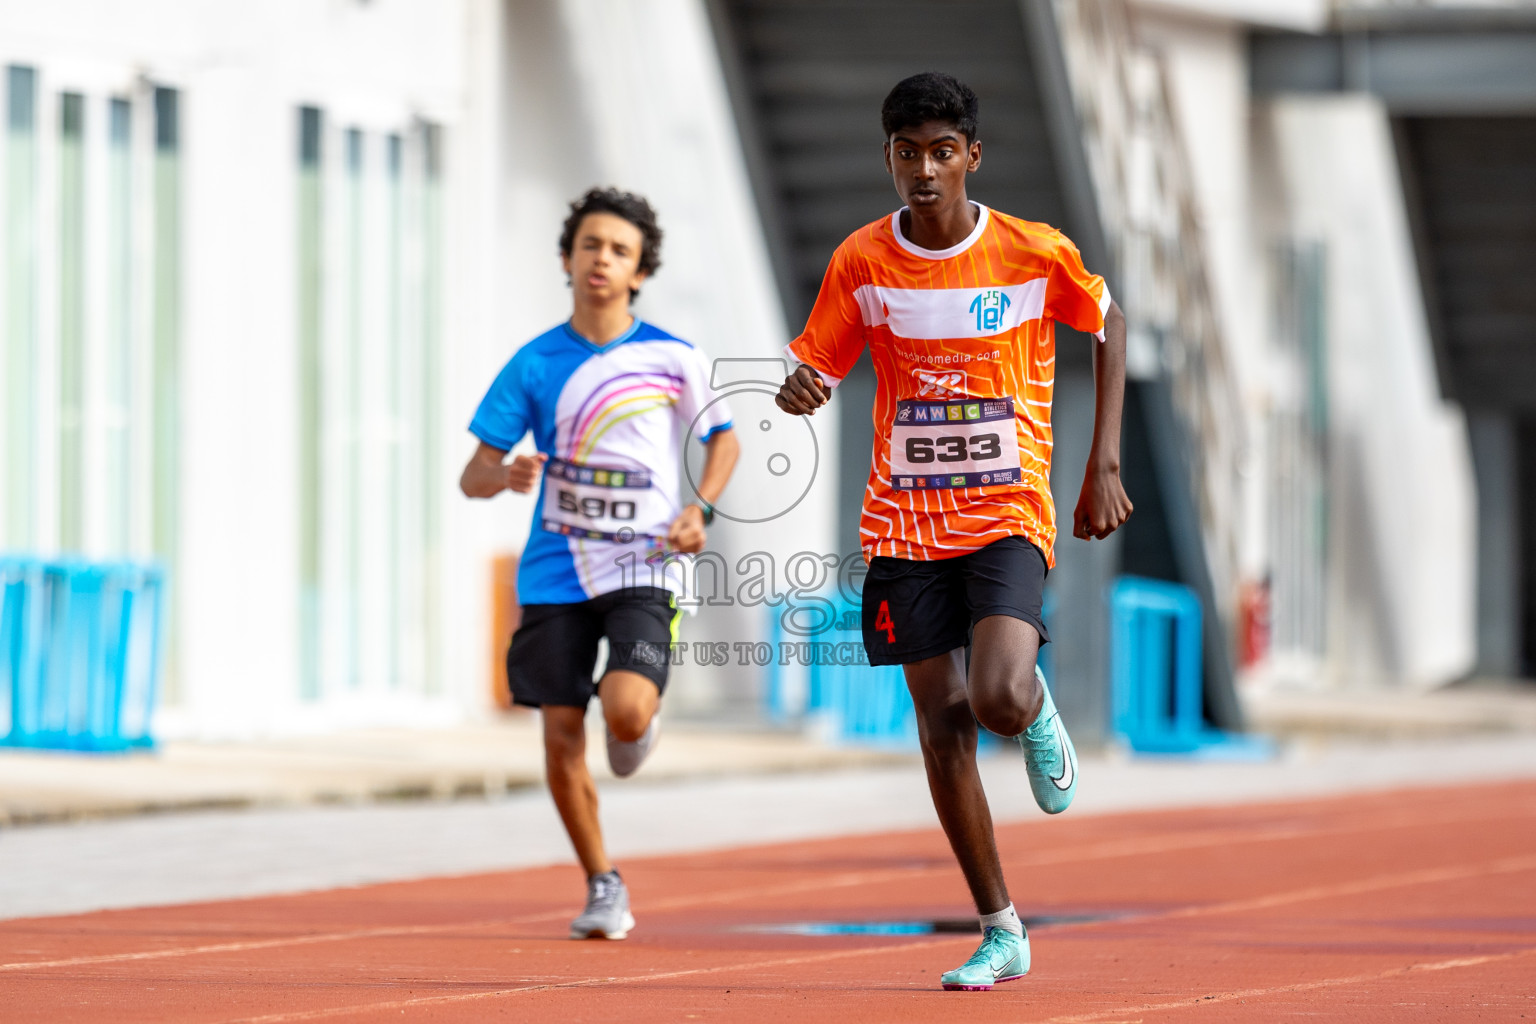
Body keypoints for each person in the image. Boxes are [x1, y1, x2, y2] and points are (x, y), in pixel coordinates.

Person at [775, 73, 1132, 990]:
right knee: (941, 727)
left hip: (1008, 510)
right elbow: (813, 367)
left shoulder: (1029, 251)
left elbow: (1110, 321)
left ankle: (1038, 709)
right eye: (906, 153)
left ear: (972, 154)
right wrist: (801, 390)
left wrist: (1103, 465)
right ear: (887, 158)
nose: (924, 171)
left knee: (999, 700)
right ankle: (1001, 928)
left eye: (942, 151)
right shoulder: (861, 261)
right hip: (903, 523)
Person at [461, 187, 739, 940]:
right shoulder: (535, 363)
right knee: (559, 734)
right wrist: (507, 474)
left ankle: (636, 716)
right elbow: (472, 475)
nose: (602, 260)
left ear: (640, 271)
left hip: (644, 564)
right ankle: (602, 881)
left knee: (623, 711)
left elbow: (724, 440)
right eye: (590, 245)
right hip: (554, 572)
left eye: (619, 250)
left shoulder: (673, 356)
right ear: (566, 258)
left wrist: (701, 508)